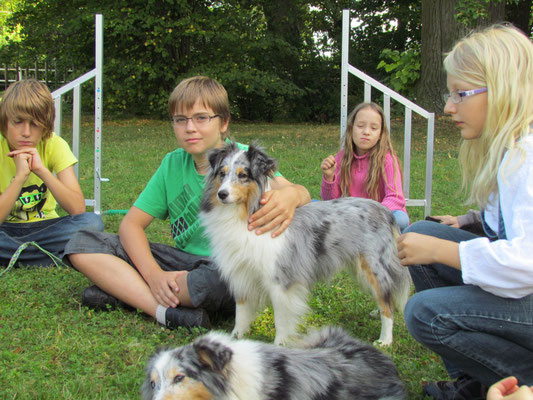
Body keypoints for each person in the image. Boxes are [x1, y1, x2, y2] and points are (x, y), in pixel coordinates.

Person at [65, 76, 311, 330]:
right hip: (181, 262)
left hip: (227, 267)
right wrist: (153, 275)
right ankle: (167, 309)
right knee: (82, 244)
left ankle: (127, 293)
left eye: (201, 118)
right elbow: (130, 226)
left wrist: (292, 195)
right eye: (180, 120)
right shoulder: (172, 164)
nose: (190, 128)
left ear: (224, 122)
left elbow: (298, 192)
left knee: (215, 281)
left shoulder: (244, 157)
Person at [397, 24, 533, 400]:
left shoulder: (527, 156)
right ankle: (472, 382)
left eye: (461, 93)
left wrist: (444, 251)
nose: (448, 106)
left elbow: (527, 262)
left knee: (425, 313)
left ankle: (519, 383)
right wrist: (468, 222)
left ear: (503, 90)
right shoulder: (509, 150)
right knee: (420, 234)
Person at [0, 79, 103, 267]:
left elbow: (77, 209)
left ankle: (16, 256)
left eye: (35, 124)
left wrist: (42, 171)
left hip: (47, 227)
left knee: (92, 223)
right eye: (18, 122)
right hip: (6, 228)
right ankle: (51, 255)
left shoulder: (54, 144)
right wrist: (20, 178)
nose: (26, 132)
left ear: (46, 126)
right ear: (5, 122)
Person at [320, 102, 409, 231]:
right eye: (360, 126)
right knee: (312, 205)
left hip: (379, 217)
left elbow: (395, 198)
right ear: (351, 129)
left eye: (373, 128)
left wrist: (370, 215)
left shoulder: (388, 159)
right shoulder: (341, 158)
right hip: (352, 216)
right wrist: (329, 178)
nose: (366, 132)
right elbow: (331, 202)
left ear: (380, 134)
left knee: (401, 219)